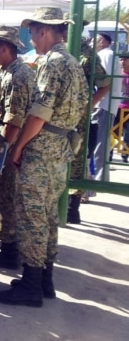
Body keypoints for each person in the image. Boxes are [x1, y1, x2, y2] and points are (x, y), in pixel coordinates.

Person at [0, 7, 87, 307]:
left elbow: (40, 113)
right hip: (60, 150)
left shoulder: (52, 63)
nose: (30, 39)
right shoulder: (72, 63)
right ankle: (45, 280)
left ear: (44, 31)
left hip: (42, 150)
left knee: (32, 218)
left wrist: (18, 147)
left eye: (32, 33)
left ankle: (31, 285)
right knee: (47, 218)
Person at [0, 26, 35, 270]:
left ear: (5, 47)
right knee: (1, 197)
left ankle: (10, 252)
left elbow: (12, 121)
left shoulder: (15, 76)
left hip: (10, 146)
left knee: (6, 198)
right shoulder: (7, 71)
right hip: (9, 143)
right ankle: (6, 246)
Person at [67, 35, 109, 223]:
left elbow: (105, 84)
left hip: (78, 118)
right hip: (60, 115)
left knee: (76, 159)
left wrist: (89, 106)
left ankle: (71, 207)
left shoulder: (88, 56)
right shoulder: (58, 50)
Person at [89, 32, 121, 195]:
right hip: (105, 104)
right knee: (100, 142)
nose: (92, 42)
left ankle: (96, 181)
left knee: (97, 143)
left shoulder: (105, 55)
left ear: (102, 41)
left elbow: (103, 81)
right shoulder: (109, 54)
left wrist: (91, 103)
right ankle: (99, 178)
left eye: (95, 39)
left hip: (102, 104)